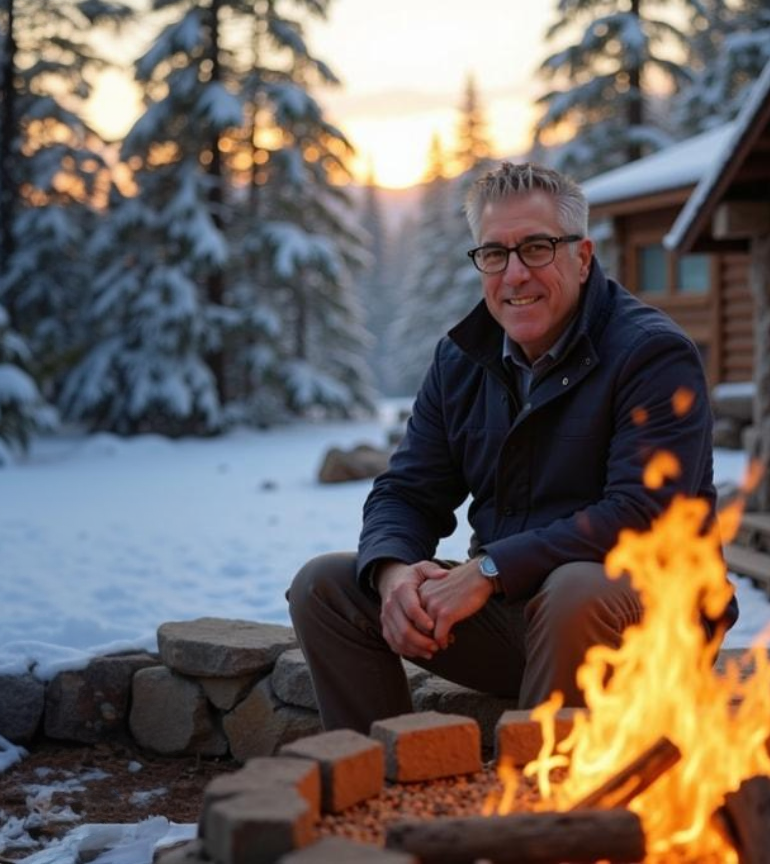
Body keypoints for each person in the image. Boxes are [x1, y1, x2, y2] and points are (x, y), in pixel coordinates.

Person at [288, 161, 733, 733]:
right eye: (494, 254)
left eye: (537, 248)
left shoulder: (651, 355)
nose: (514, 274)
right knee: (324, 586)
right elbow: (406, 491)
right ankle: (378, 784)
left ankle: (535, 808)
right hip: (514, 613)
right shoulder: (461, 360)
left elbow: (641, 515)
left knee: (575, 589)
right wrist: (394, 576)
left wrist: (490, 571)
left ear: (583, 256)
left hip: (648, 628)